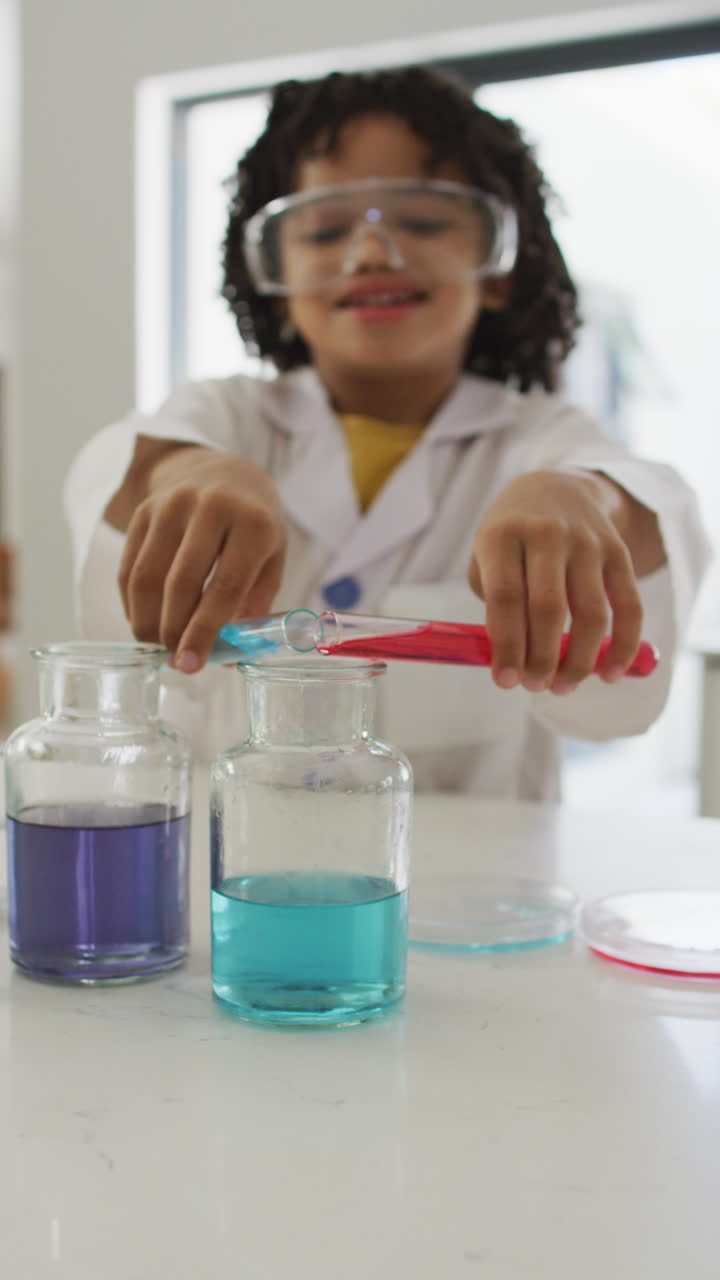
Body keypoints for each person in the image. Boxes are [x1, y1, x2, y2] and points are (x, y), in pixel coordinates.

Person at [64, 65, 710, 799]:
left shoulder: (539, 439)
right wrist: (192, 474)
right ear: (276, 280)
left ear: (499, 266)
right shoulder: (229, 420)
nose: (371, 254)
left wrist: (583, 501)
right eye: (326, 229)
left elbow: (638, 507)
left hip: (475, 890)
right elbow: (133, 463)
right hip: (240, 881)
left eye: (424, 222)